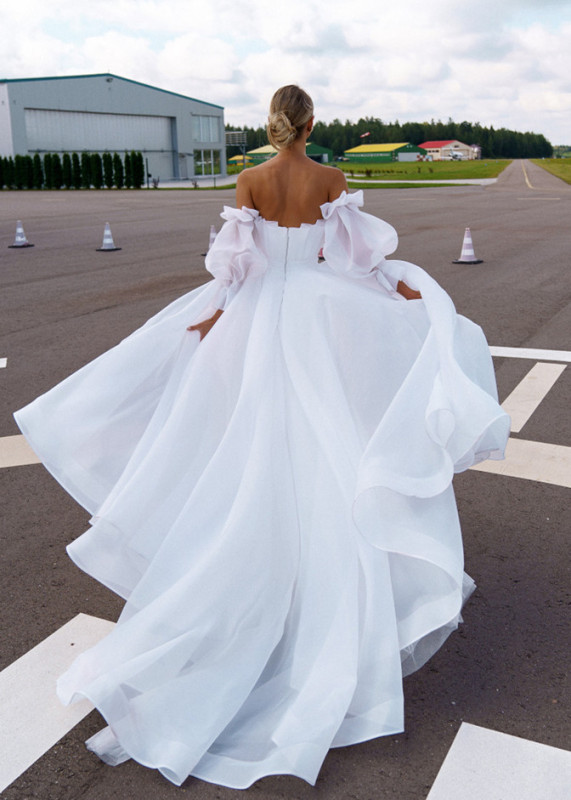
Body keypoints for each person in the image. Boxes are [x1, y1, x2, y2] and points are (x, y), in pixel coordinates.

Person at [14, 85, 509, 789]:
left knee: (244, 448)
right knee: (322, 451)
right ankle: (318, 587)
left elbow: (233, 267)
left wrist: (216, 317)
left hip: (254, 320)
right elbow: (356, 263)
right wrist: (404, 294)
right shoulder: (331, 180)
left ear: (273, 124)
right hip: (312, 317)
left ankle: (247, 570)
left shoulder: (249, 180)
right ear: (311, 124)